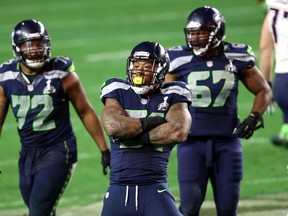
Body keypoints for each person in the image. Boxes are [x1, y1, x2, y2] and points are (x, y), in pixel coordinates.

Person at [165, 6, 272, 216]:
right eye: (191, 33)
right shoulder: (178, 59)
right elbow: (165, 98)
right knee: (188, 208)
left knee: (227, 210)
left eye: (201, 33)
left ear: (217, 32)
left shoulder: (236, 56)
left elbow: (264, 90)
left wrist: (254, 116)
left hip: (227, 143)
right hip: (191, 144)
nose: (195, 39)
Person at [0, 19, 111, 216]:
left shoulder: (61, 73)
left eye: (40, 44)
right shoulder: (6, 76)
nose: (36, 50)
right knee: (41, 208)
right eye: (29, 45)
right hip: (27, 153)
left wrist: (103, 148)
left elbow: (84, 110)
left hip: (59, 150)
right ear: (17, 49)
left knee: (38, 212)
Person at [100, 41, 192, 216]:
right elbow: (113, 127)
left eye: (147, 66)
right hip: (118, 190)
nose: (139, 70)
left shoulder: (174, 93)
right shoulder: (117, 89)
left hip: (155, 190)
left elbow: (178, 131)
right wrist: (152, 122)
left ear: (161, 70)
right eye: (136, 65)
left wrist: (132, 135)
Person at [259, 0, 288, 147]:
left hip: (282, 84)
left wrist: (267, 87)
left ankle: (286, 132)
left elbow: (265, 49)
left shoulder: (274, 4)